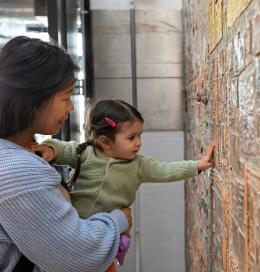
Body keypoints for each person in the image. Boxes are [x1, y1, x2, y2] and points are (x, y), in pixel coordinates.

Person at [0, 36, 132, 272]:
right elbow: (80, 255)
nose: (70, 107)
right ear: (34, 100)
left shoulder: (22, 153)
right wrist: (120, 219)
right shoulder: (17, 171)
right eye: (65, 96)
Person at [32, 99, 215, 269]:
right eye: (131, 137)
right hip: (76, 230)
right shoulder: (86, 153)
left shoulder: (138, 165)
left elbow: (165, 170)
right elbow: (63, 149)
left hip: (106, 238)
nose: (138, 143)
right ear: (105, 142)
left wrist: (197, 165)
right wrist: (49, 149)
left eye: (139, 135)